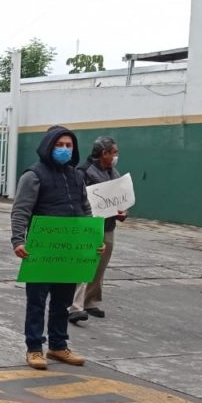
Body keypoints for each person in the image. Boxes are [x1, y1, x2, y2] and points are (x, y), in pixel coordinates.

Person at [11, 125, 102, 370]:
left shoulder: (76, 176)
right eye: (59, 145)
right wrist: (18, 240)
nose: (64, 149)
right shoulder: (34, 175)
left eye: (68, 145)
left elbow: (85, 210)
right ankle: (34, 348)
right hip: (42, 250)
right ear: (48, 147)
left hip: (70, 251)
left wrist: (93, 240)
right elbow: (21, 210)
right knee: (37, 301)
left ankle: (58, 346)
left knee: (62, 301)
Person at [68, 136, 127, 323]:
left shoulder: (114, 173)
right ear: (104, 153)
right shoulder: (84, 172)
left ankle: (90, 302)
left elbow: (120, 198)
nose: (116, 156)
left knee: (100, 266)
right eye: (114, 152)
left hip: (108, 226)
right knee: (84, 265)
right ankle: (75, 307)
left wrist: (123, 212)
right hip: (89, 225)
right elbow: (77, 197)